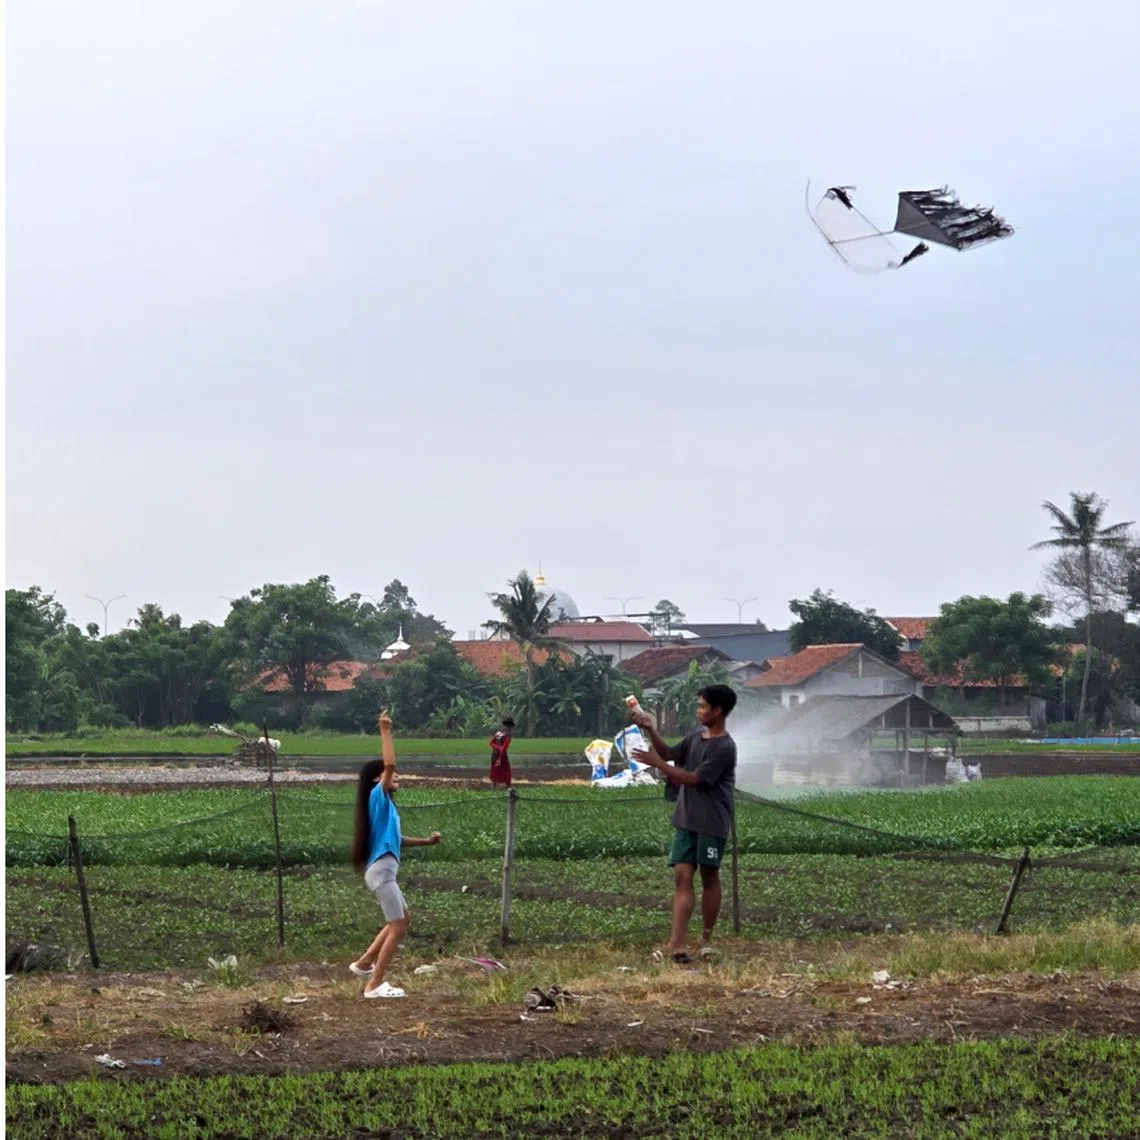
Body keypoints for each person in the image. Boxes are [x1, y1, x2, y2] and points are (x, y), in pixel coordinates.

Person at [630, 685, 737, 964]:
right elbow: (667, 753)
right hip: (686, 819)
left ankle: (706, 938)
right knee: (682, 876)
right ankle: (676, 944)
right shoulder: (694, 738)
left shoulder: (724, 747)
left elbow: (693, 779)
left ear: (717, 711)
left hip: (711, 821)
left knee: (709, 877)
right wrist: (651, 730)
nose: (698, 710)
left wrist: (656, 763)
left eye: (703, 706)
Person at [349, 710, 441, 998]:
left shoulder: (384, 808)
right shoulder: (378, 795)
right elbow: (389, 762)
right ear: (379, 779)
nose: (395, 775)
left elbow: (395, 840)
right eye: (389, 775)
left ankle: (364, 963)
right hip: (382, 872)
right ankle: (374, 985)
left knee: (404, 918)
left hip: (383, 870)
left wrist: (426, 842)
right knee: (398, 926)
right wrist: (385, 731)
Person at [489, 717, 515, 788]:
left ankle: (495, 785)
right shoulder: (507, 735)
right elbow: (502, 747)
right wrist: (499, 757)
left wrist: (498, 748)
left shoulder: (498, 733)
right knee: (505, 770)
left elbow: (491, 744)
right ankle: (508, 786)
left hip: (495, 754)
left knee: (496, 769)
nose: (508, 728)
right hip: (501, 755)